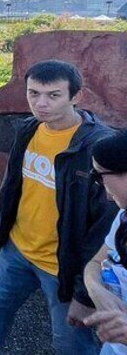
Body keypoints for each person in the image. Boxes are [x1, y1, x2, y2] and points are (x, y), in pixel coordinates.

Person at [0, 60, 116, 354]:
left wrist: (84, 294)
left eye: (53, 95)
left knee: (71, 344)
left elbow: (103, 228)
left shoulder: (98, 145)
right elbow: (12, 188)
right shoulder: (28, 129)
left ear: (76, 96)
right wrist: (1, 232)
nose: (40, 104)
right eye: (33, 94)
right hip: (16, 252)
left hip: (64, 268)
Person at [82, 131, 127, 353]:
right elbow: (96, 262)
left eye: (99, 175)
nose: (100, 185)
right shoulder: (123, 218)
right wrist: (97, 290)